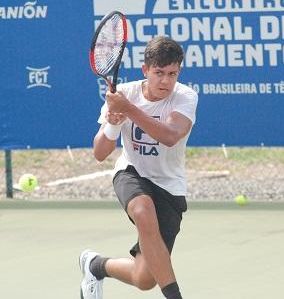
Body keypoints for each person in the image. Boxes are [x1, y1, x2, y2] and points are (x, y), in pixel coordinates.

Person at [79, 36, 198, 299]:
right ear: (145, 70)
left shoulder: (185, 97)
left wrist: (129, 111)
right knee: (143, 209)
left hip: (169, 186)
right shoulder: (127, 94)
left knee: (144, 279)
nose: (165, 81)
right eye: (158, 73)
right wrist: (112, 123)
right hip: (132, 173)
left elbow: (169, 136)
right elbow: (100, 153)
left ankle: (95, 265)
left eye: (172, 74)